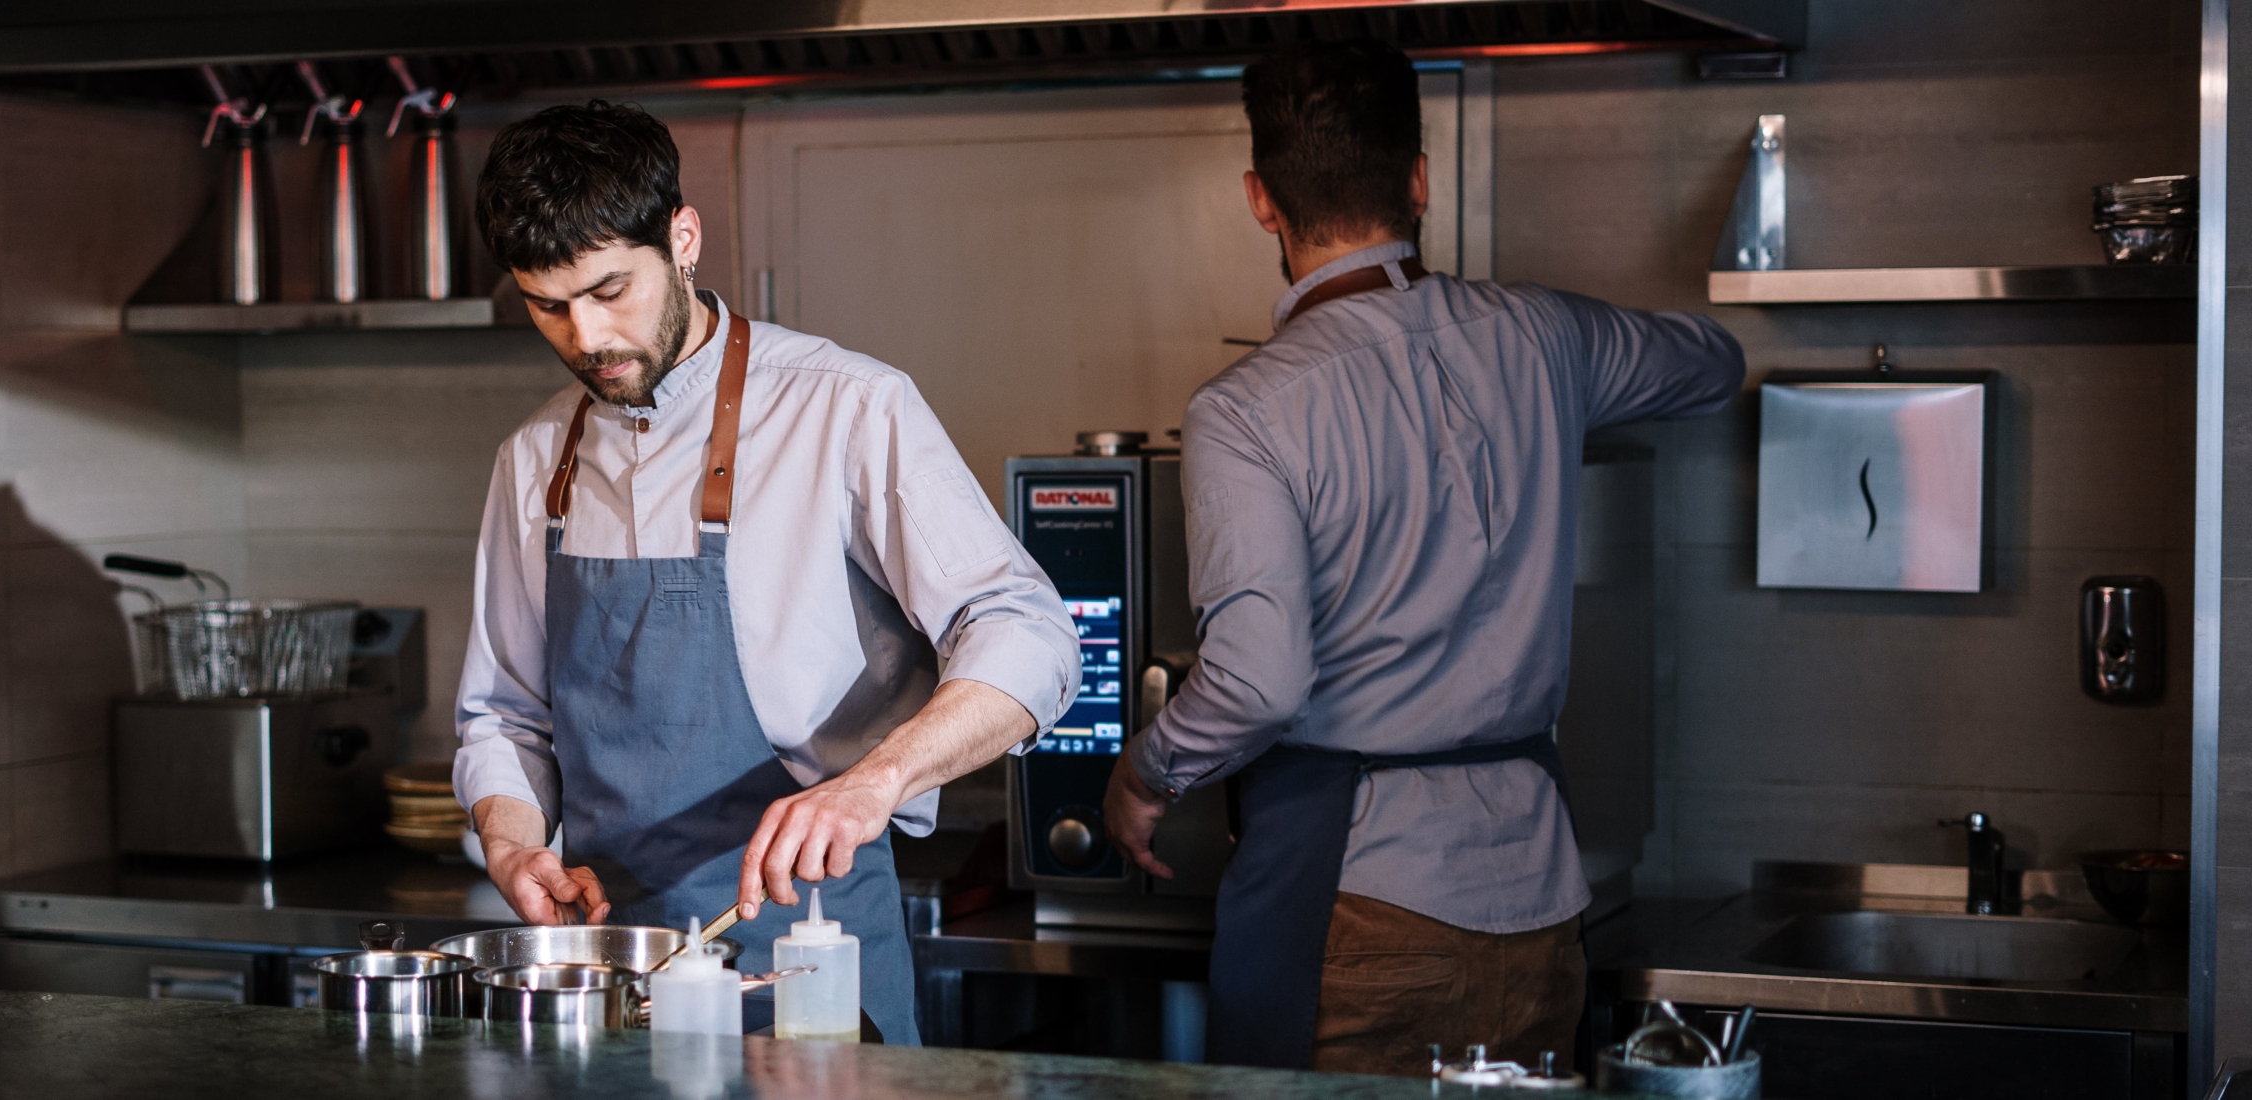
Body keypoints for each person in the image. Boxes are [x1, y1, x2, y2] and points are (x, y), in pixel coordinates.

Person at [1101, 42, 1745, 1075]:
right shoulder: (1541, 337)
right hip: (1541, 906)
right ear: (1418, 180)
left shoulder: (1244, 411)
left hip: (1357, 908)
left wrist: (1145, 769)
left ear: (1261, 200)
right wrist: (1566, 374)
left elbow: (1260, 682)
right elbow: (1712, 364)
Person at [453, 100, 1081, 1046]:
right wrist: (511, 840)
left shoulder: (848, 408)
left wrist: (873, 781)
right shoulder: (533, 457)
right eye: (550, 305)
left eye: (611, 290)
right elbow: (504, 713)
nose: (587, 340)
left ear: (684, 237)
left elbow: (1028, 631)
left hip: (811, 950)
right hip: (612, 970)